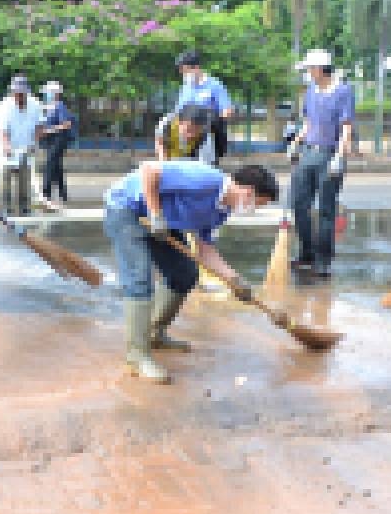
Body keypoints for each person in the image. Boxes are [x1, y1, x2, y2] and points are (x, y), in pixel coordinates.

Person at [104, 160, 280, 383]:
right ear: (247, 192)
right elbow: (149, 170)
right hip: (126, 210)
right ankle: (136, 356)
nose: (254, 209)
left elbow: (206, 251)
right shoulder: (205, 179)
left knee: (185, 273)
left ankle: (154, 333)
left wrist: (234, 279)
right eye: (258, 204)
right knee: (139, 279)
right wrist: (156, 214)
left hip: (163, 223)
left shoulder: (220, 212)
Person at [287, 49, 354, 278]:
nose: (307, 73)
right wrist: (296, 142)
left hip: (330, 154)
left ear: (319, 69)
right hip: (309, 152)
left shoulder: (343, 91)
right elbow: (308, 122)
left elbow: (346, 126)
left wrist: (339, 156)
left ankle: (323, 260)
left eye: (309, 69)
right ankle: (307, 253)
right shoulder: (310, 92)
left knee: (326, 209)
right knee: (299, 204)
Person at [173, 50, 233, 163]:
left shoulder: (215, 85)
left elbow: (227, 111)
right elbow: (178, 112)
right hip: (186, 136)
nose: (183, 74)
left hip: (208, 133)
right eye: (182, 71)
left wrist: (208, 120)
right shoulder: (185, 88)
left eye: (185, 71)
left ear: (196, 68)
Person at [0, 75, 43, 216]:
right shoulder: (5, 105)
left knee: (25, 179)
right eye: (16, 93)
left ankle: (24, 207)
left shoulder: (35, 105)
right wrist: (6, 146)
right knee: (6, 178)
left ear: (26, 92)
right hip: (8, 146)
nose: (18, 96)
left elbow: (39, 126)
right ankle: (6, 208)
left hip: (26, 146)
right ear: (12, 93)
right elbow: (3, 130)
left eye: (21, 94)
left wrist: (35, 142)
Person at [39, 81, 75, 208]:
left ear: (56, 94)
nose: (46, 95)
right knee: (56, 165)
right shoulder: (48, 107)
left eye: (48, 93)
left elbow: (67, 124)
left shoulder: (59, 106)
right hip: (52, 139)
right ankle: (62, 193)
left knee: (50, 163)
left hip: (60, 138)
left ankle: (46, 193)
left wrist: (49, 130)